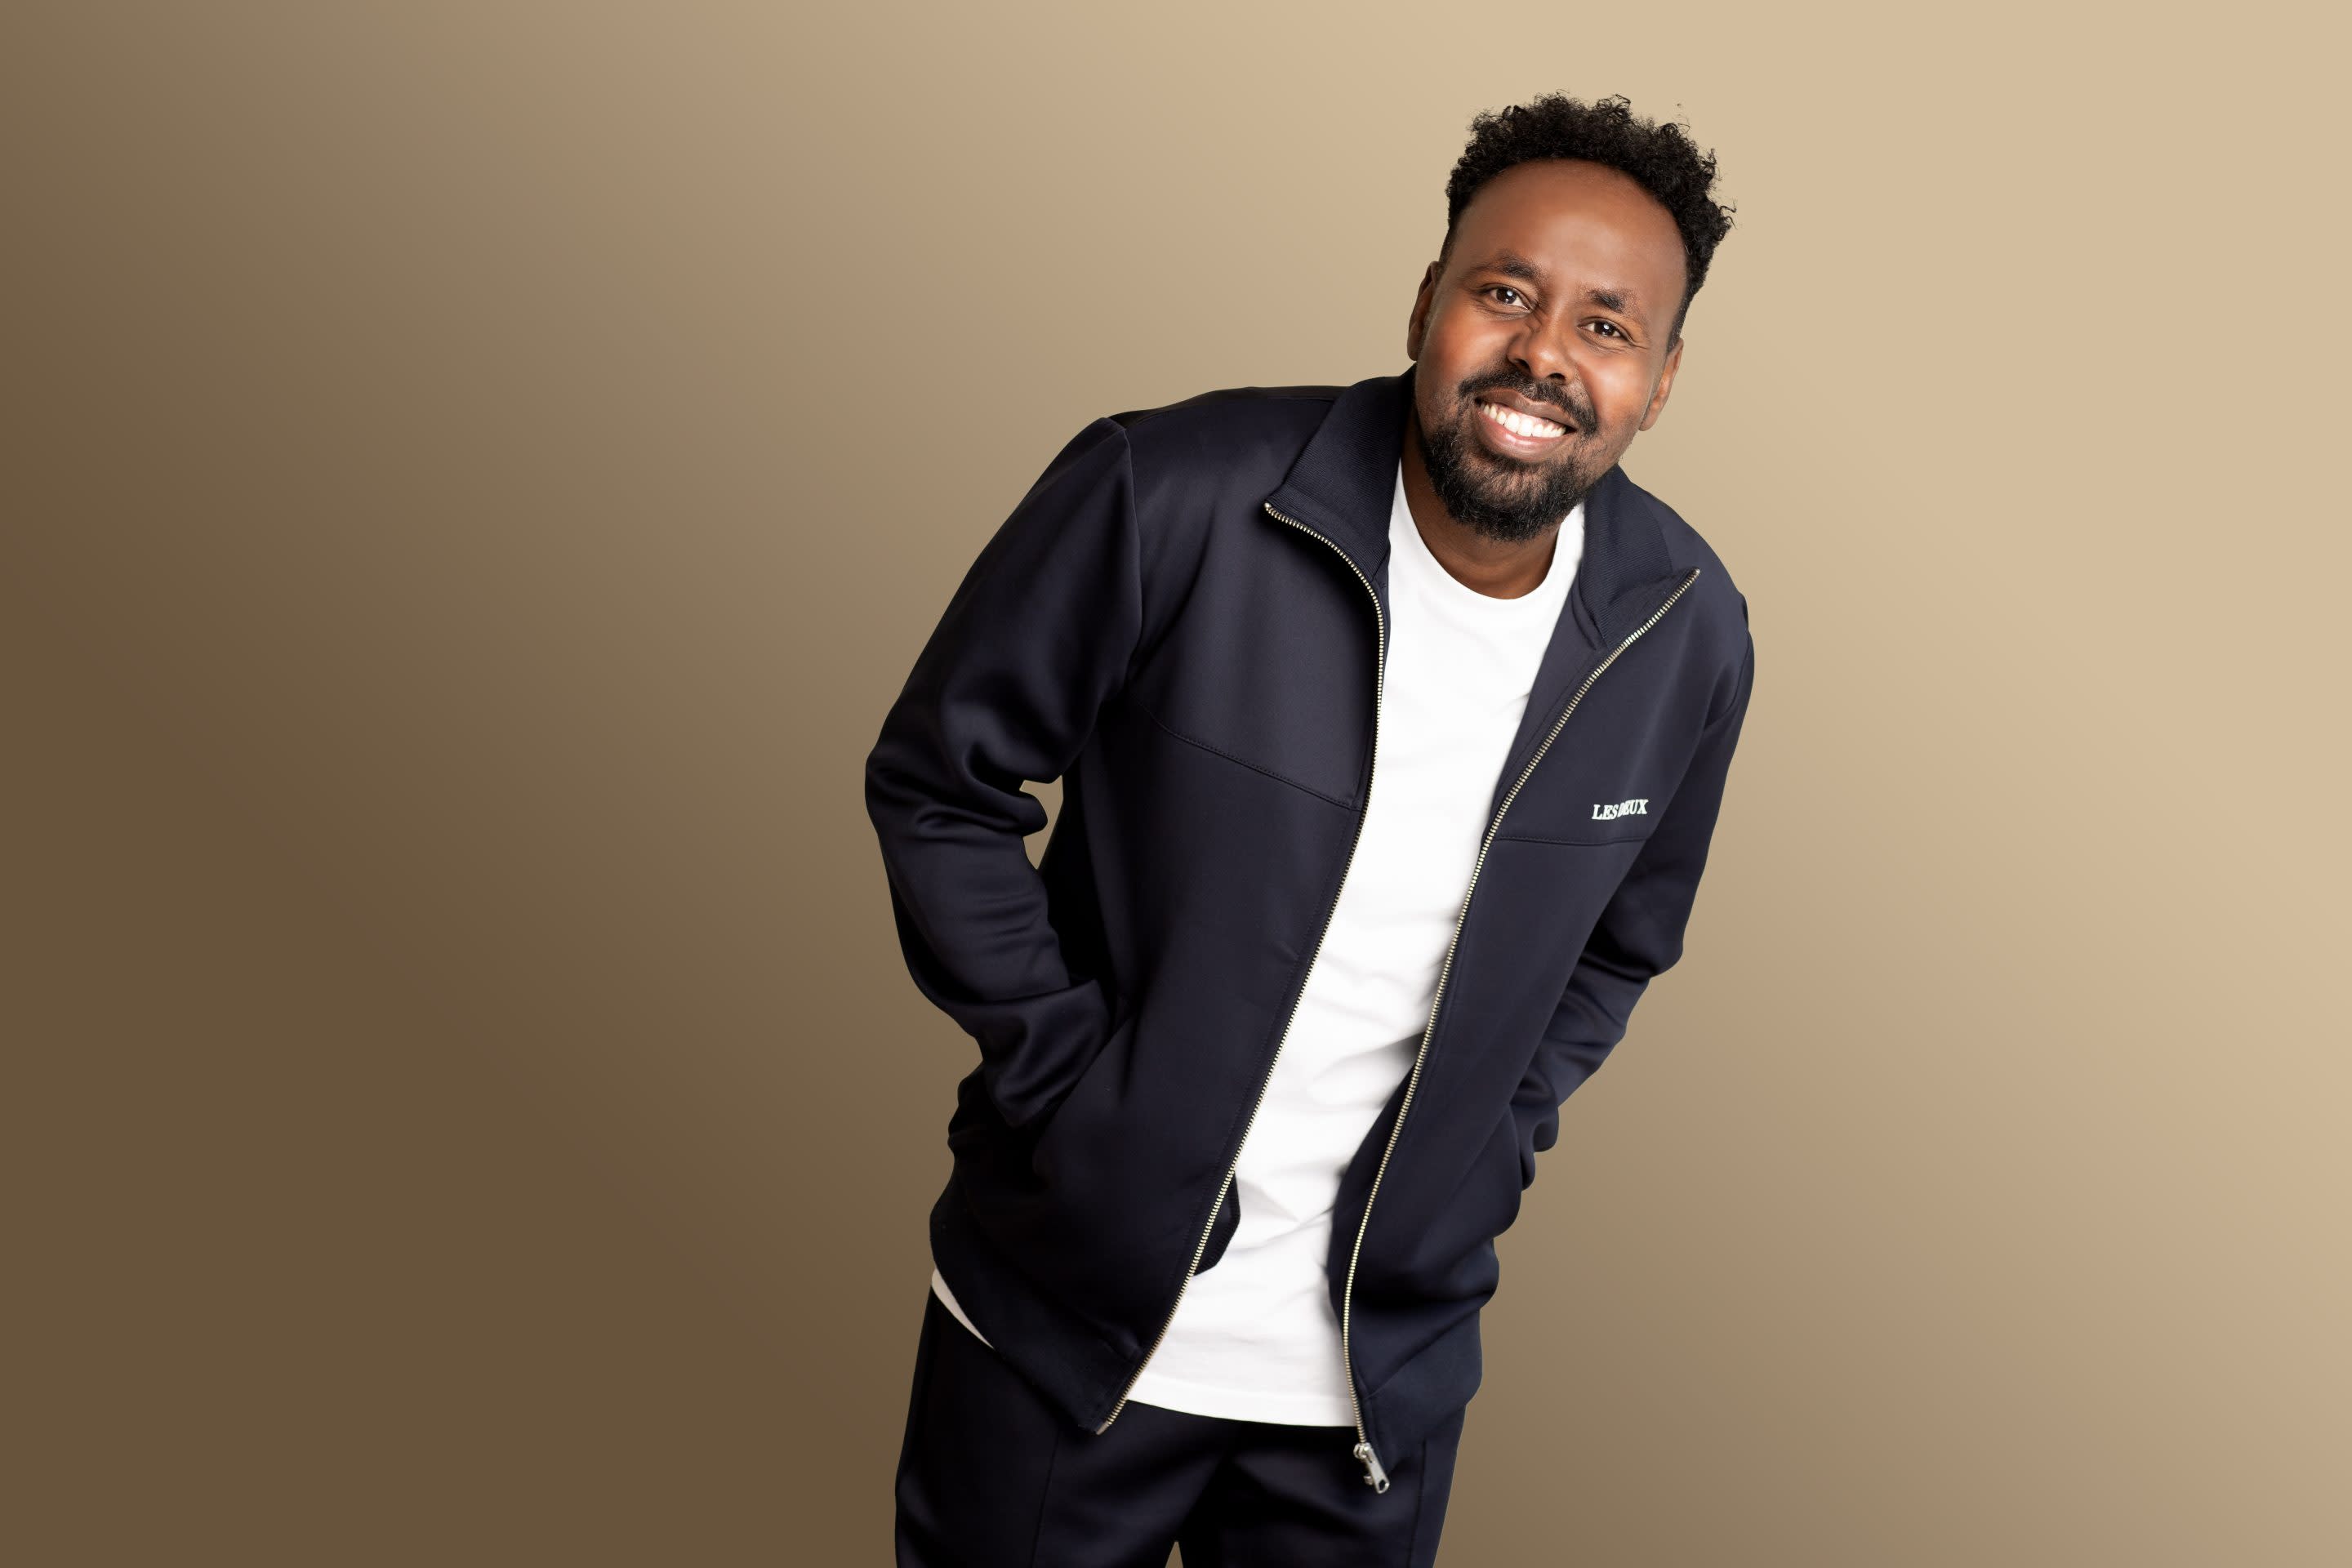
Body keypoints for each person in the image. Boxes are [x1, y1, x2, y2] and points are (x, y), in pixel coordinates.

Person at [866, 91, 1753, 1566]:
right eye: (1506, 292)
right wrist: (1071, 1090)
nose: (1545, 352)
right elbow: (940, 786)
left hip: (1374, 1390)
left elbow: (1622, 946)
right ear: (1427, 303)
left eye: (1607, 326)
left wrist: (1485, 1151)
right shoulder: (1172, 492)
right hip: (1065, 1325)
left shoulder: (1684, 629)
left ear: (1659, 383)